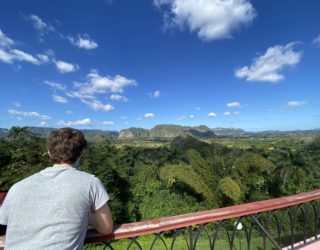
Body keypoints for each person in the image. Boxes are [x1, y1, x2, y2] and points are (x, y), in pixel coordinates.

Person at [0, 128, 113, 249]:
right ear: (82, 152)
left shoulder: (17, 187)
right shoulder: (90, 183)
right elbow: (106, 228)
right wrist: (84, 211)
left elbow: (3, 225)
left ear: (49, 152)